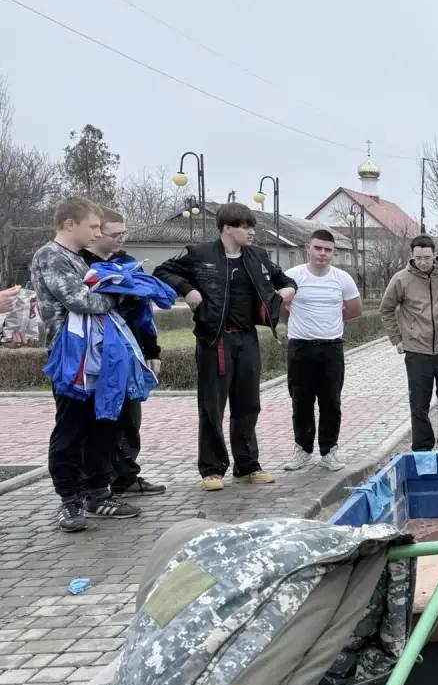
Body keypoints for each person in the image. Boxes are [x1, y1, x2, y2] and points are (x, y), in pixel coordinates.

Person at [155, 202, 296, 491]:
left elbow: (285, 279)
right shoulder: (200, 254)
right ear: (227, 228)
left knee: (248, 404)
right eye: (245, 227)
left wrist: (287, 290)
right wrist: (189, 290)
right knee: (212, 406)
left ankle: (247, 466)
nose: (251, 232)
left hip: (247, 338)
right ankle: (212, 469)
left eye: (251, 226)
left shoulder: (257, 256)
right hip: (214, 338)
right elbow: (162, 271)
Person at [30, 197, 121, 531]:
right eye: (92, 226)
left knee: (101, 424)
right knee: (71, 428)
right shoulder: (50, 256)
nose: (97, 233)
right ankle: (70, 499)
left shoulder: (78, 259)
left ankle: (99, 492)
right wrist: (118, 295)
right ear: (70, 224)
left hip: (94, 354)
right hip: (69, 356)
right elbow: (81, 301)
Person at [81, 209, 165, 499]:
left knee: (130, 415)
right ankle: (95, 482)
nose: (120, 239)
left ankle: (127, 476)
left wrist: (152, 350)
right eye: (114, 234)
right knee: (99, 419)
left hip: (131, 349)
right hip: (96, 350)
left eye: (123, 233)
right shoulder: (80, 264)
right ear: (96, 233)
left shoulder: (128, 263)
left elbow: (145, 312)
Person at [282, 230, 363, 471]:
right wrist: (300, 324)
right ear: (308, 247)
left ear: (333, 251)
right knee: (301, 401)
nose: (323, 253)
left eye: (328, 249)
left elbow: (355, 309)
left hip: (331, 349)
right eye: (318, 248)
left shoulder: (342, 278)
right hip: (300, 348)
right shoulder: (292, 276)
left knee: (331, 402)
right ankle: (302, 449)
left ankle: (329, 451)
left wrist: (330, 321)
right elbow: (281, 310)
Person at [381, 234, 438, 452]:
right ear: (411, 256)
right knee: (419, 406)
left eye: (427, 257)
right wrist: (397, 339)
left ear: (435, 255)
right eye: (419, 258)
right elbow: (386, 309)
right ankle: (423, 451)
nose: (423, 262)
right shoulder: (401, 279)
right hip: (417, 352)